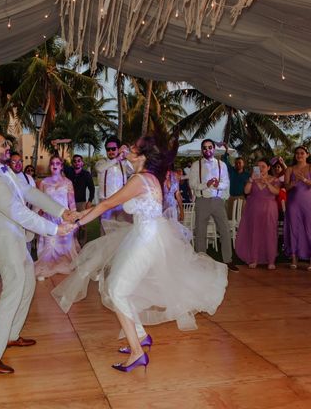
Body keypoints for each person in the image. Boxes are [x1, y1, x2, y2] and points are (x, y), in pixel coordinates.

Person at [53, 135, 228, 373]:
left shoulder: (139, 179)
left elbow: (107, 204)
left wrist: (78, 222)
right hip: (145, 234)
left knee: (117, 290)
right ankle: (140, 336)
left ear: (142, 157)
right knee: (118, 286)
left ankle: (137, 353)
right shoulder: (147, 178)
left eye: (132, 149)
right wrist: (80, 215)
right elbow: (109, 201)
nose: (127, 151)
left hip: (145, 238)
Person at [0, 129, 74, 375]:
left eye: (7, 143)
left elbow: (30, 193)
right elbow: (20, 213)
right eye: (1, 144)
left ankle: (11, 335)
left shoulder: (6, 171)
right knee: (12, 292)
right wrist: (55, 229)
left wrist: (62, 212)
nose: (7, 147)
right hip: (6, 243)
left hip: (18, 240)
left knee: (27, 284)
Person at [188, 139, 239, 272]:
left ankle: (228, 260)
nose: (207, 150)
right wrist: (206, 184)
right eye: (204, 148)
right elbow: (192, 184)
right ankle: (201, 261)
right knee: (200, 232)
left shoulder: (221, 164)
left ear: (214, 149)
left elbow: (226, 182)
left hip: (217, 200)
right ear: (202, 150)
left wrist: (218, 185)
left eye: (210, 147)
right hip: (202, 200)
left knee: (225, 230)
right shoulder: (195, 165)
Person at [35, 156, 80, 279]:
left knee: (65, 246)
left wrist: (74, 219)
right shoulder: (43, 182)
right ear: (50, 166)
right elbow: (39, 201)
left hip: (64, 218)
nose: (55, 165)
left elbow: (72, 203)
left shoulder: (68, 182)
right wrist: (39, 215)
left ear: (61, 166)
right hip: (48, 218)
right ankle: (45, 269)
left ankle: (65, 266)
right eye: (52, 163)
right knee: (50, 245)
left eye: (57, 163)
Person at [284, 146, 311, 271]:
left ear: (307, 154)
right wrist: (293, 183)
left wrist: (304, 180)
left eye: (302, 153)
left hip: (309, 201)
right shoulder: (290, 169)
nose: (299, 155)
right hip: (293, 202)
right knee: (294, 228)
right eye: (297, 153)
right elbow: (286, 187)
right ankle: (294, 257)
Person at [235, 159, 280, 269]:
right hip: (254, 208)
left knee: (270, 233)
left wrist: (267, 182)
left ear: (268, 167)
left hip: (270, 210)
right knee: (254, 232)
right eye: (258, 166)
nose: (260, 169)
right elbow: (246, 191)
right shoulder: (252, 179)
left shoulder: (274, 179)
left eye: (263, 166)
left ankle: (271, 260)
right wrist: (251, 179)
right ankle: (253, 259)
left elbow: (277, 192)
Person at [95, 136, 134, 233]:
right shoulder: (101, 162)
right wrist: (117, 159)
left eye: (113, 149)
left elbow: (134, 169)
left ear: (118, 149)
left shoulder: (124, 163)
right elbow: (100, 169)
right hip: (105, 202)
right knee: (106, 232)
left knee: (124, 231)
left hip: (122, 202)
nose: (111, 151)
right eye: (108, 149)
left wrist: (126, 154)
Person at [64, 154, 95, 244]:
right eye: (75, 161)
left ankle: (82, 243)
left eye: (79, 161)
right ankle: (73, 243)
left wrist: (90, 201)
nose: (77, 163)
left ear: (82, 163)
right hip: (69, 203)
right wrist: (56, 148)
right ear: (72, 163)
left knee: (82, 223)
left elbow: (91, 188)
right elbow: (60, 162)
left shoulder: (86, 174)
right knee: (70, 222)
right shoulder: (69, 171)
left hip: (81, 202)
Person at [221, 145, 250, 217]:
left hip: (242, 198)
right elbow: (225, 160)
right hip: (232, 198)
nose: (238, 164)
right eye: (236, 163)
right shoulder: (232, 171)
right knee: (230, 218)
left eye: (240, 163)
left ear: (243, 164)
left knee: (241, 218)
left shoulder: (247, 175)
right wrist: (226, 150)